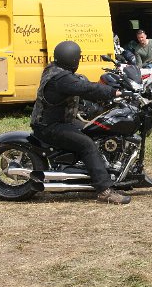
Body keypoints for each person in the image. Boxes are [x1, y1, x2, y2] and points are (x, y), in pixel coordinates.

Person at [30, 40, 131, 205]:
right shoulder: (61, 78)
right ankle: (104, 190)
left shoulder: (55, 70)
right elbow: (86, 88)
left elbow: (82, 86)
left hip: (59, 121)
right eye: (78, 57)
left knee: (95, 131)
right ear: (72, 59)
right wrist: (114, 92)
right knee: (87, 144)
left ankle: (96, 171)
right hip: (49, 126)